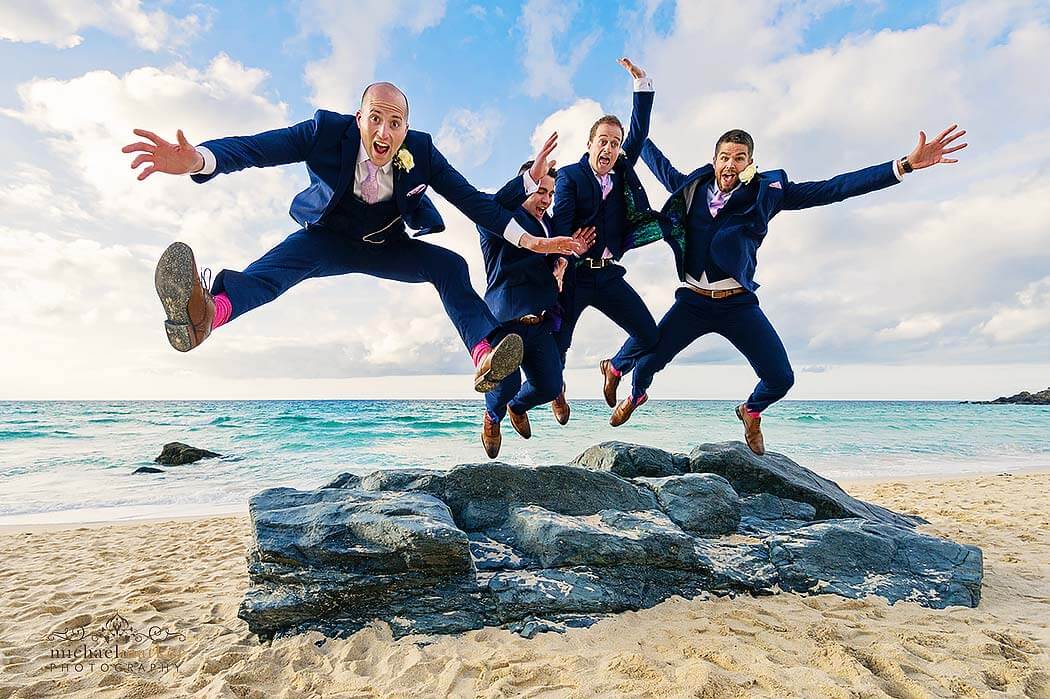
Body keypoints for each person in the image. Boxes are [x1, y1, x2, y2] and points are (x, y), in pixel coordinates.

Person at [123, 82, 563, 392]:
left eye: (395, 123)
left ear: (406, 127)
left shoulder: (422, 153)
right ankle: (204, 317)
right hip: (327, 237)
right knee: (271, 273)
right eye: (375, 119)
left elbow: (473, 202)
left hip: (388, 244)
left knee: (450, 265)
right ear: (359, 119)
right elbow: (256, 148)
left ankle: (484, 351)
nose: (384, 133)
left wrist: (530, 240)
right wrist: (200, 159)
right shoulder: (324, 133)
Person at [610, 124, 968, 455]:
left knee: (781, 378)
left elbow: (834, 189)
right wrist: (628, 127)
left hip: (737, 304)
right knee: (647, 364)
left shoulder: (767, 194)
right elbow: (651, 156)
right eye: (724, 157)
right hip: (691, 302)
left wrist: (902, 165)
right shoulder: (689, 188)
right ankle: (637, 395)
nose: (730, 164)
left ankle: (750, 411)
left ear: (750, 163)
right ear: (714, 159)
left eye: (739, 158)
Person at [548, 57, 667, 420]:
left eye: (615, 144)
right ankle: (557, 389)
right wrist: (565, 256)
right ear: (589, 143)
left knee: (650, 335)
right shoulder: (570, 177)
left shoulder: (621, 171)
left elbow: (640, 132)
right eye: (603, 141)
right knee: (559, 342)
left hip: (609, 273)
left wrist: (642, 86)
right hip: (577, 274)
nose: (609, 149)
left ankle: (614, 368)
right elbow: (561, 224)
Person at [476, 157, 596, 457]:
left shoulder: (550, 225)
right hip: (506, 322)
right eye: (540, 190)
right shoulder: (501, 219)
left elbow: (557, 259)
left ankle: (517, 407)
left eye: (551, 193)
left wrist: (568, 257)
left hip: (540, 323)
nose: (546, 199)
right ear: (525, 186)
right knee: (505, 384)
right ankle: (493, 417)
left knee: (550, 385)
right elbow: (492, 208)